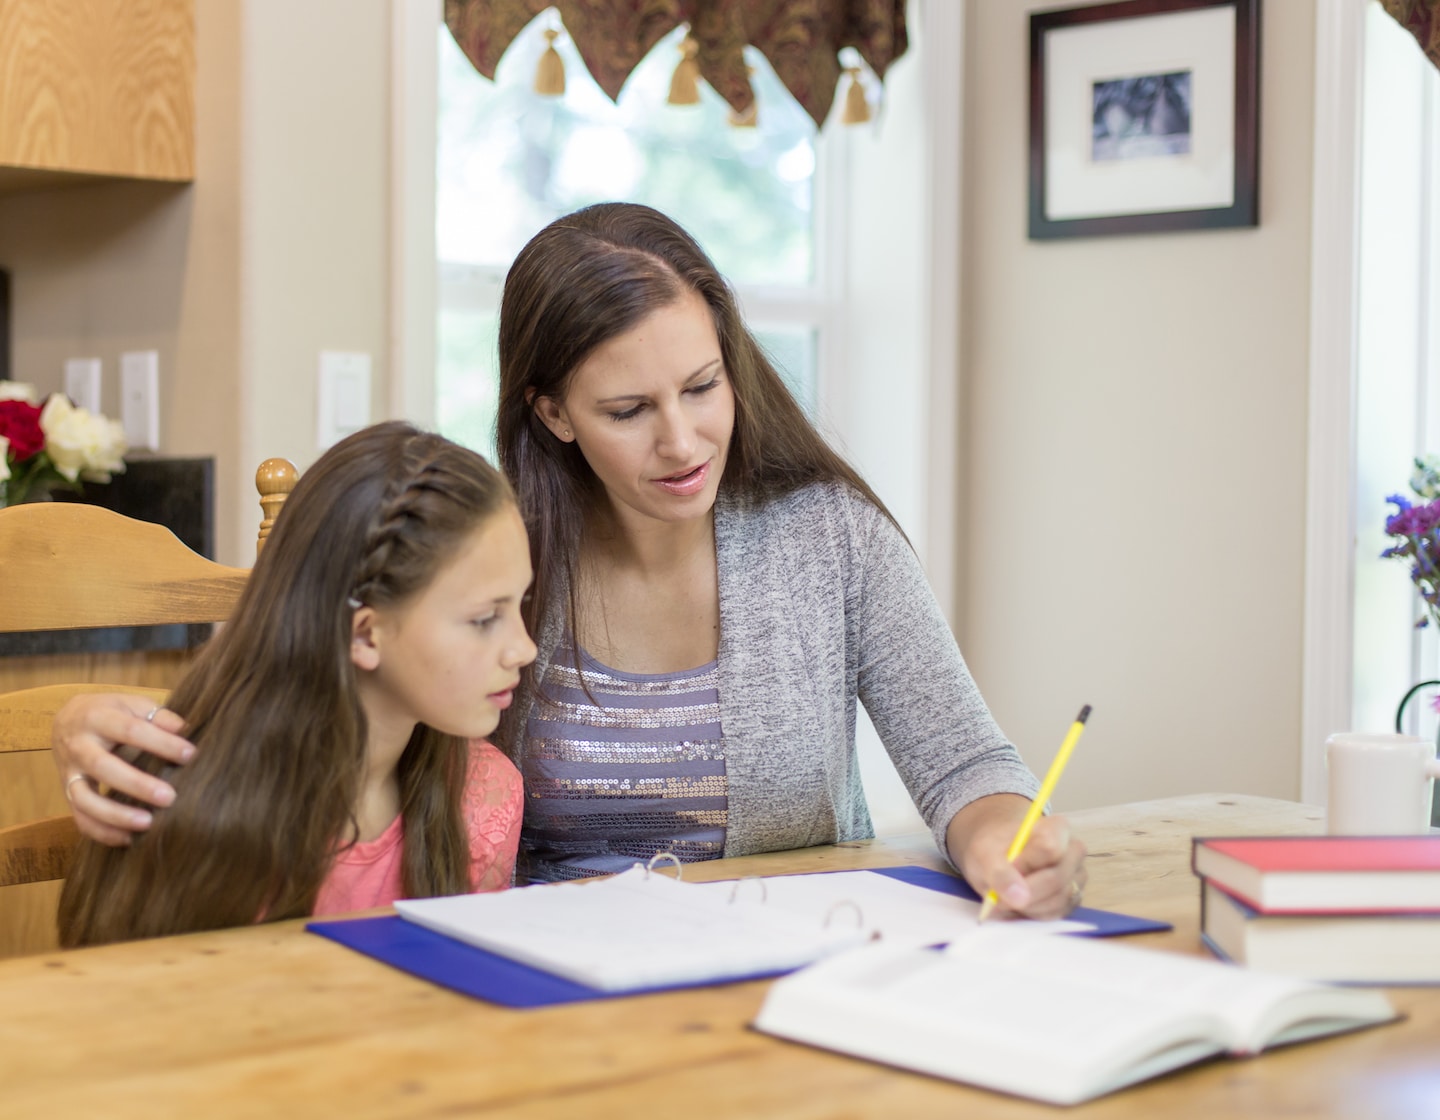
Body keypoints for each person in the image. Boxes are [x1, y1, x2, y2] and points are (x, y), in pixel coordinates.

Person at [54, 203, 1085, 920]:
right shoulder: (499, 554)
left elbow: (968, 769)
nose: (683, 442)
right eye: (629, 411)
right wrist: (89, 723)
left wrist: (1007, 840)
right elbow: (308, 677)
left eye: (703, 385)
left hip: (788, 983)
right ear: (550, 412)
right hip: (549, 996)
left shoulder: (832, 537)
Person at [56, 422, 535, 946]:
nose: (524, 648)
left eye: (519, 604)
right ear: (366, 634)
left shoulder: (486, 797)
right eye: (485, 618)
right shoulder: (199, 809)